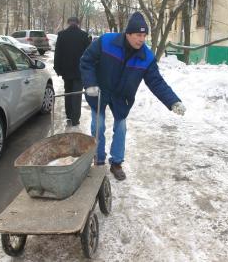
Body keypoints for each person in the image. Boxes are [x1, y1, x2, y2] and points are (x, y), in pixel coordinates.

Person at [80, 11, 186, 181]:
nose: (142, 39)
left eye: (144, 35)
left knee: (121, 128)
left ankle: (116, 163)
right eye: (138, 35)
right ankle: (98, 160)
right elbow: (86, 61)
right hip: (99, 91)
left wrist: (173, 101)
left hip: (122, 96)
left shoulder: (146, 57)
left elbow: (156, 82)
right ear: (128, 33)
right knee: (98, 126)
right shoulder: (106, 41)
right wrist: (90, 84)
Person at [54, 16, 90, 126]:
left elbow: (58, 53)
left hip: (66, 71)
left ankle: (69, 115)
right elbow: (89, 54)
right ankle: (75, 119)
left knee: (68, 93)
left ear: (68, 23)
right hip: (79, 71)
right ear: (78, 24)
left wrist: (57, 68)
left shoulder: (62, 35)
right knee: (77, 95)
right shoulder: (84, 36)